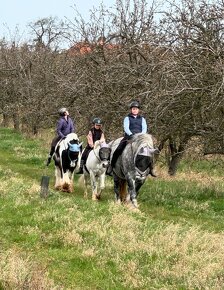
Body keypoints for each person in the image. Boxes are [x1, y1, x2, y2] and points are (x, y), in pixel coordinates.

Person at [108, 100, 156, 177]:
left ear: (138, 110)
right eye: (133, 109)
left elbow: (144, 128)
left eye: (136, 109)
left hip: (140, 138)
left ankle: (151, 168)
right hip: (129, 137)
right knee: (119, 149)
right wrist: (131, 134)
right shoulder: (127, 118)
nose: (135, 110)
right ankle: (111, 166)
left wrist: (141, 135)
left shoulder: (142, 119)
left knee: (150, 150)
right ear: (131, 110)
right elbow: (126, 127)